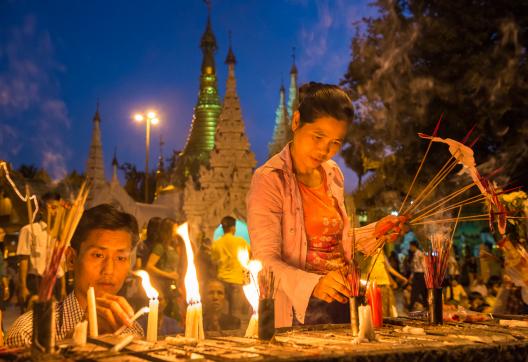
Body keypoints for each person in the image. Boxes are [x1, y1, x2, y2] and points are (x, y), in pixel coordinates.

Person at [247, 82, 406, 327]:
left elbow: (331, 243)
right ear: (296, 122)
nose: (325, 150)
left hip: (343, 300)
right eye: (318, 136)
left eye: (335, 142)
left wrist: (375, 232)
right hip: (299, 312)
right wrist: (315, 284)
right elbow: (265, 261)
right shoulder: (270, 179)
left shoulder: (332, 173)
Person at [6, 204, 144, 347]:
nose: (109, 270)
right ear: (71, 259)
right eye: (98, 255)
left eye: (120, 258)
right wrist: (78, 341)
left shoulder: (132, 330)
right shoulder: (30, 334)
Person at [17, 192, 66, 310]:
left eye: (58, 209)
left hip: (57, 282)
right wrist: (23, 286)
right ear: (42, 210)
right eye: (53, 208)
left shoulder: (62, 235)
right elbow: (24, 259)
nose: (56, 212)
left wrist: (63, 287)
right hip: (36, 282)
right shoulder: (29, 230)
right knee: (35, 320)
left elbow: (62, 263)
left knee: (55, 321)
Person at [146, 218, 186, 326]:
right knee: (164, 316)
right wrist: (168, 275)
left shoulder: (172, 246)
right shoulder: (160, 247)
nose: (176, 231)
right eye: (174, 229)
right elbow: (149, 267)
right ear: (168, 230)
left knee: (174, 315)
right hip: (162, 286)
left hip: (171, 286)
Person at [211, 216, 250, 324]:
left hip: (222, 281)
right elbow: (250, 257)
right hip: (237, 281)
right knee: (236, 313)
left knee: (223, 313)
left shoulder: (217, 243)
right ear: (233, 228)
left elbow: (214, 261)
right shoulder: (241, 242)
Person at [408, 241, 428, 311]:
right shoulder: (414, 254)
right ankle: (426, 305)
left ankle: (411, 306)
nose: (410, 248)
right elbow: (414, 267)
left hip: (420, 274)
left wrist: (426, 274)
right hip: (417, 274)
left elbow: (424, 265)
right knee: (423, 291)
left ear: (414, 246)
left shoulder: (419, 254)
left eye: (410, 246)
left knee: (415, 291)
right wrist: (412, 275)